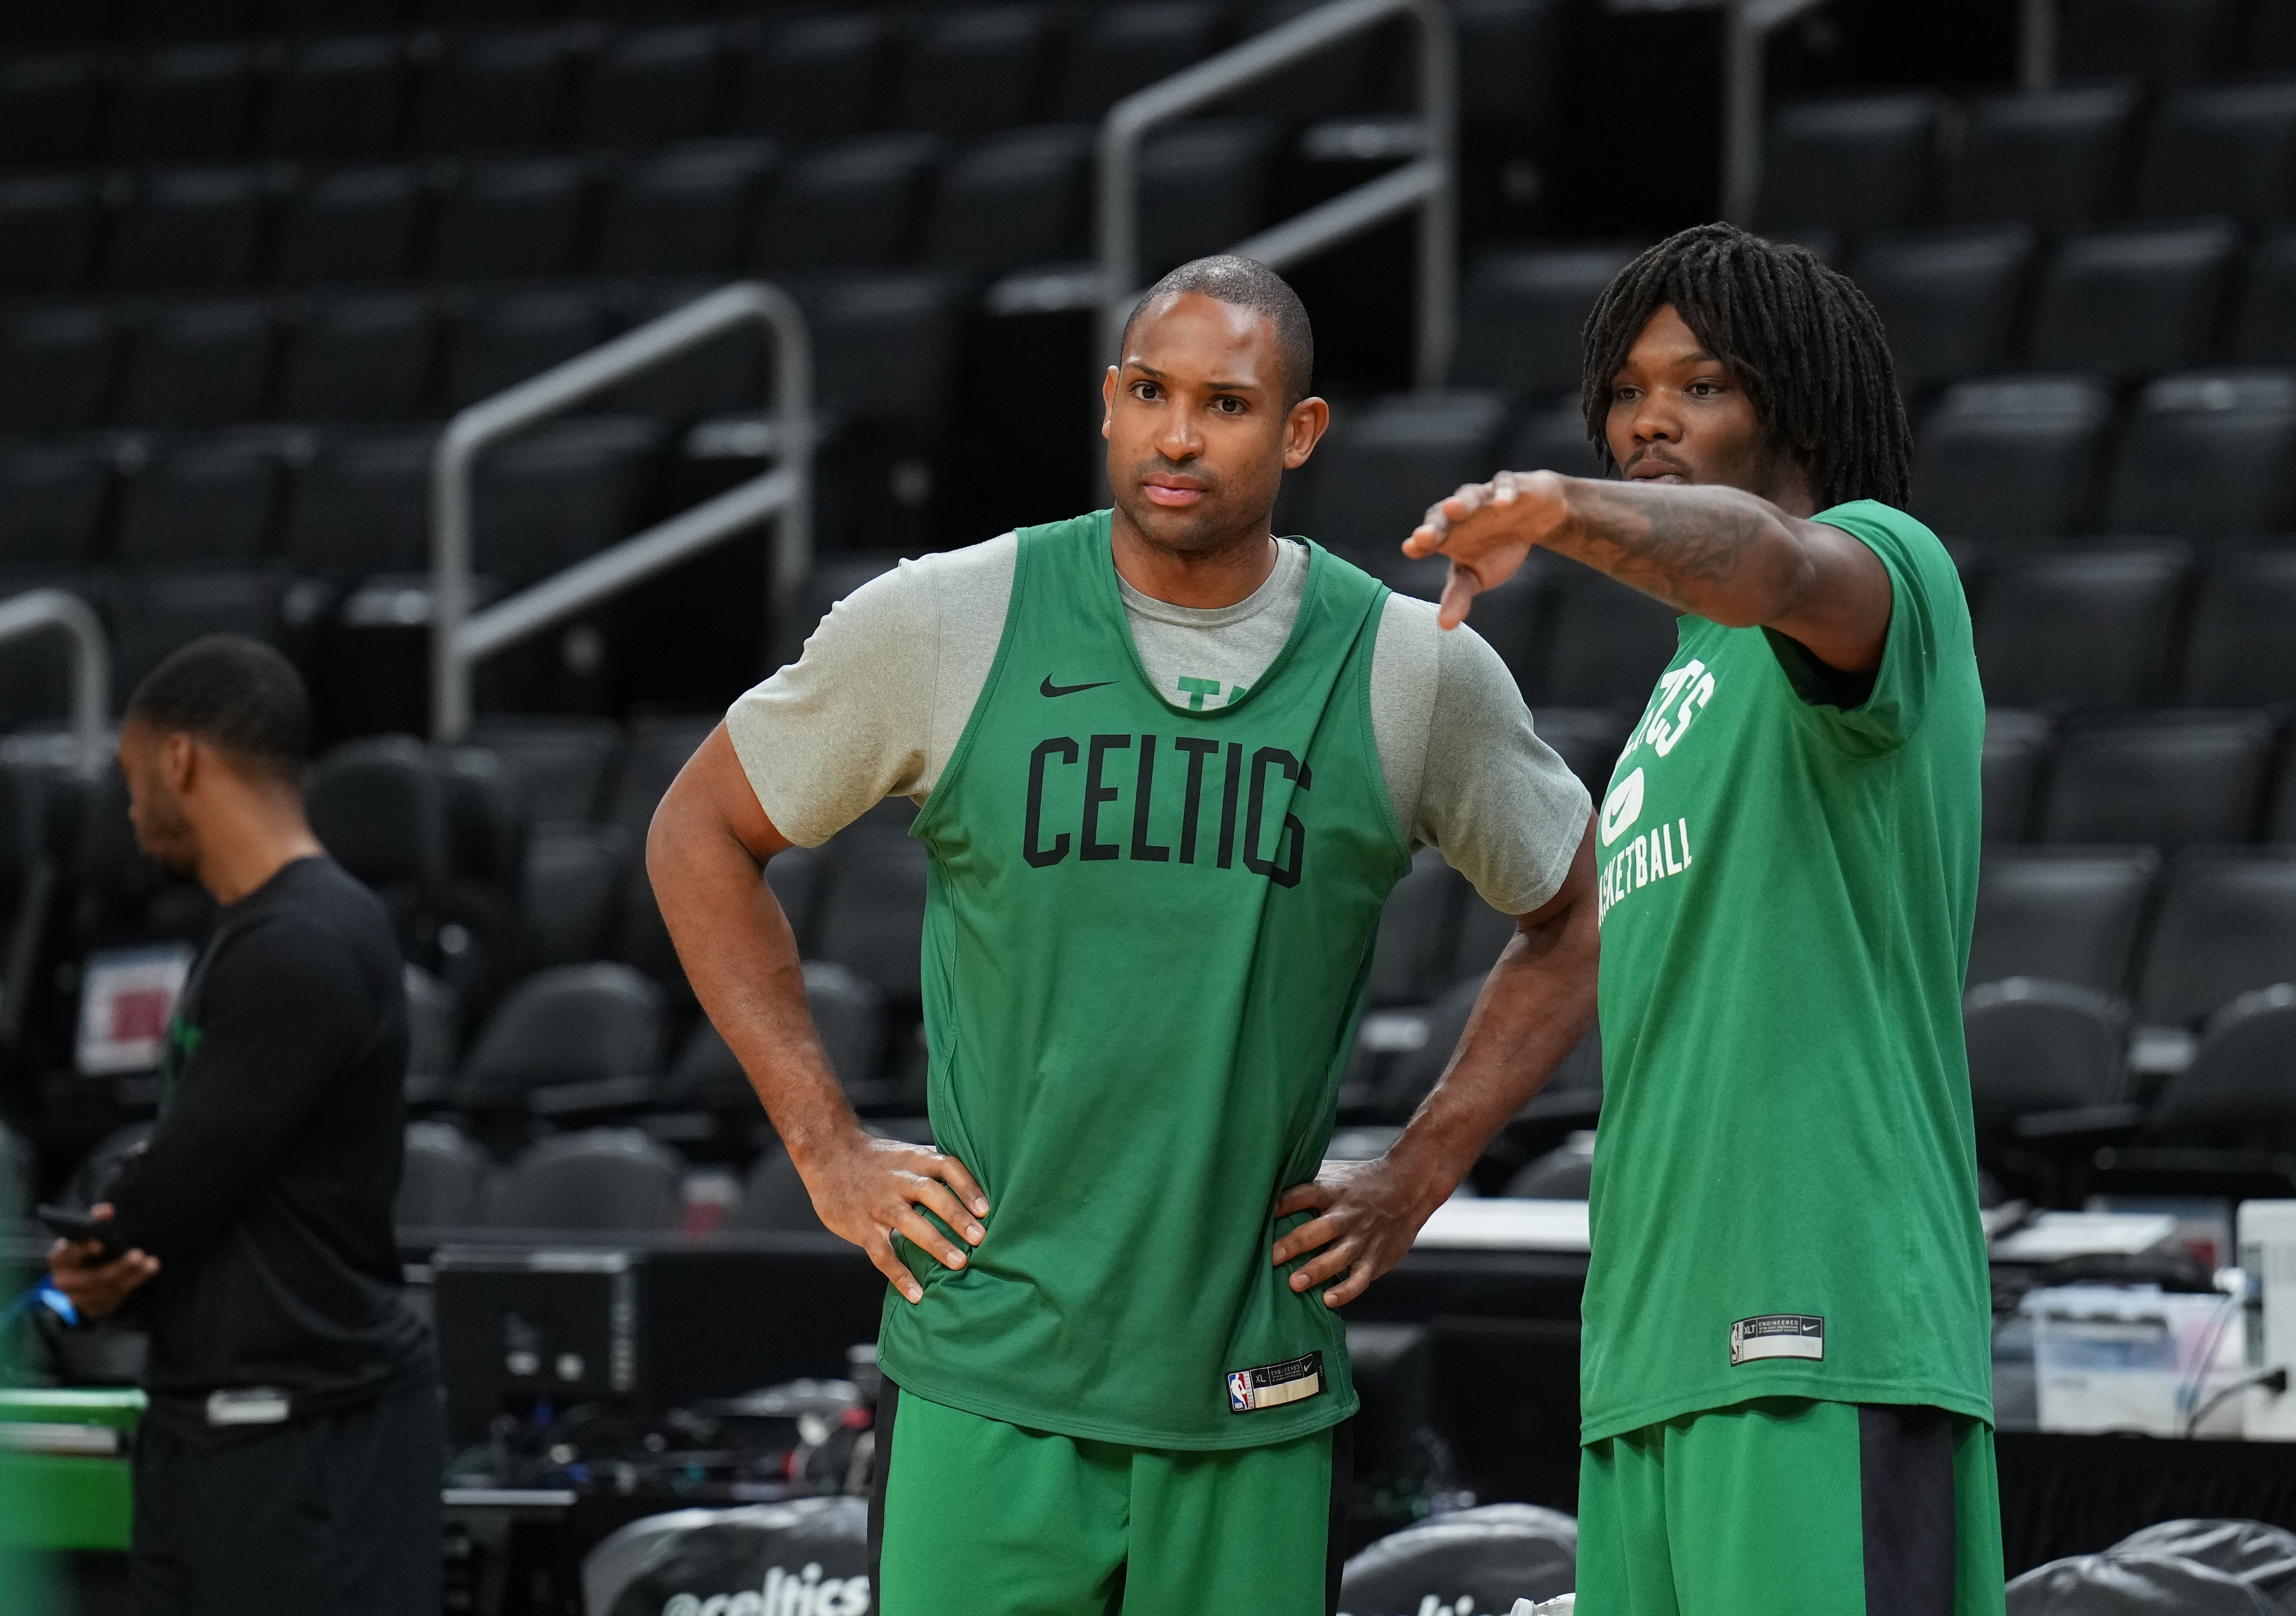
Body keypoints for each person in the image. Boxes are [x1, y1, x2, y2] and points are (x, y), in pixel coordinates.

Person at [648, 255, 1599, 1615]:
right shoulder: (947, 618)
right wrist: (825, 1143)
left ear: (1300, 431)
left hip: (1247, 1383)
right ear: (1108, 402)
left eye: (1225, 402)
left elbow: (1578, 911)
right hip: (989, 1370)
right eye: (1150, 391)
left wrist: (1421, 1166)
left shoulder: (1411, 667)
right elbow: (698, 835)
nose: (1176, 434)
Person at [1404, 223, 1999, 1614]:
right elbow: (1586, 940)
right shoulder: (1690, 680)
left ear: (1793, 400)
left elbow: (1779, 569)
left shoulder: (1880, 567)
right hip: (1650, 1349)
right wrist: (1413, 1172)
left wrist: (1557, 508)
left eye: (1703, 384)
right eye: (1627, 391)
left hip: (1818, 1323)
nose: (1649, 416)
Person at [45, 636, 440, 1616]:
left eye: (135, 777)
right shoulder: (264, 927)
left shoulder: (301, 942)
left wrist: (106, 1249)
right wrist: (98, 1267)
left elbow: (175, 1191)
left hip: (296, 1448)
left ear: (180, 759)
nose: (132, 809)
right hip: (228, 1434)